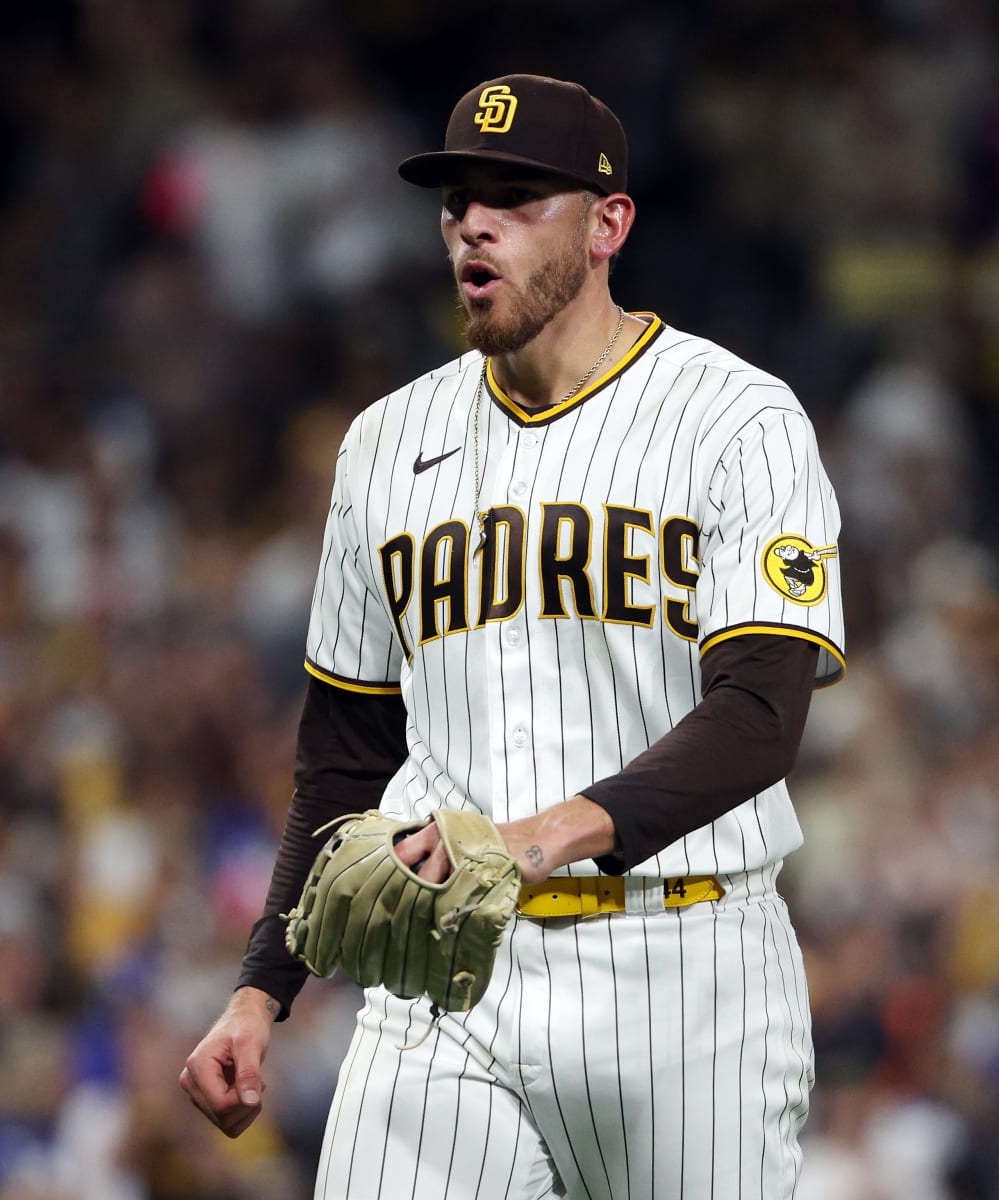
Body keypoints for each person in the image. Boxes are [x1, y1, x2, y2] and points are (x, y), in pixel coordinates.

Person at [182, 74, 845, 1199]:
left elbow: (758, 718)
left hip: (684, 971)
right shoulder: (386, 444)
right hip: (449, 984)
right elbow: (344, 759)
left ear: (608, 223)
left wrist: (539, 838)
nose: (474, 224)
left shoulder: (737, 419)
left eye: (518, 197)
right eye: (457, 202)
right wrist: (260, 992)